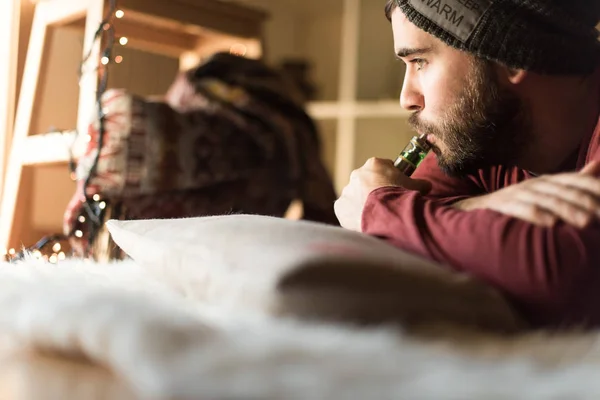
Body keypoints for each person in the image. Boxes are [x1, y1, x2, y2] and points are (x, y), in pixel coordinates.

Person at [334, 0, 600, 329]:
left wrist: (380, 209)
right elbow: (427, 211)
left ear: (509, 54)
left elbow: (567, 273)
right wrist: (475, 206)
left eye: (420, 61)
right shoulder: (491, 138)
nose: (407, 97)